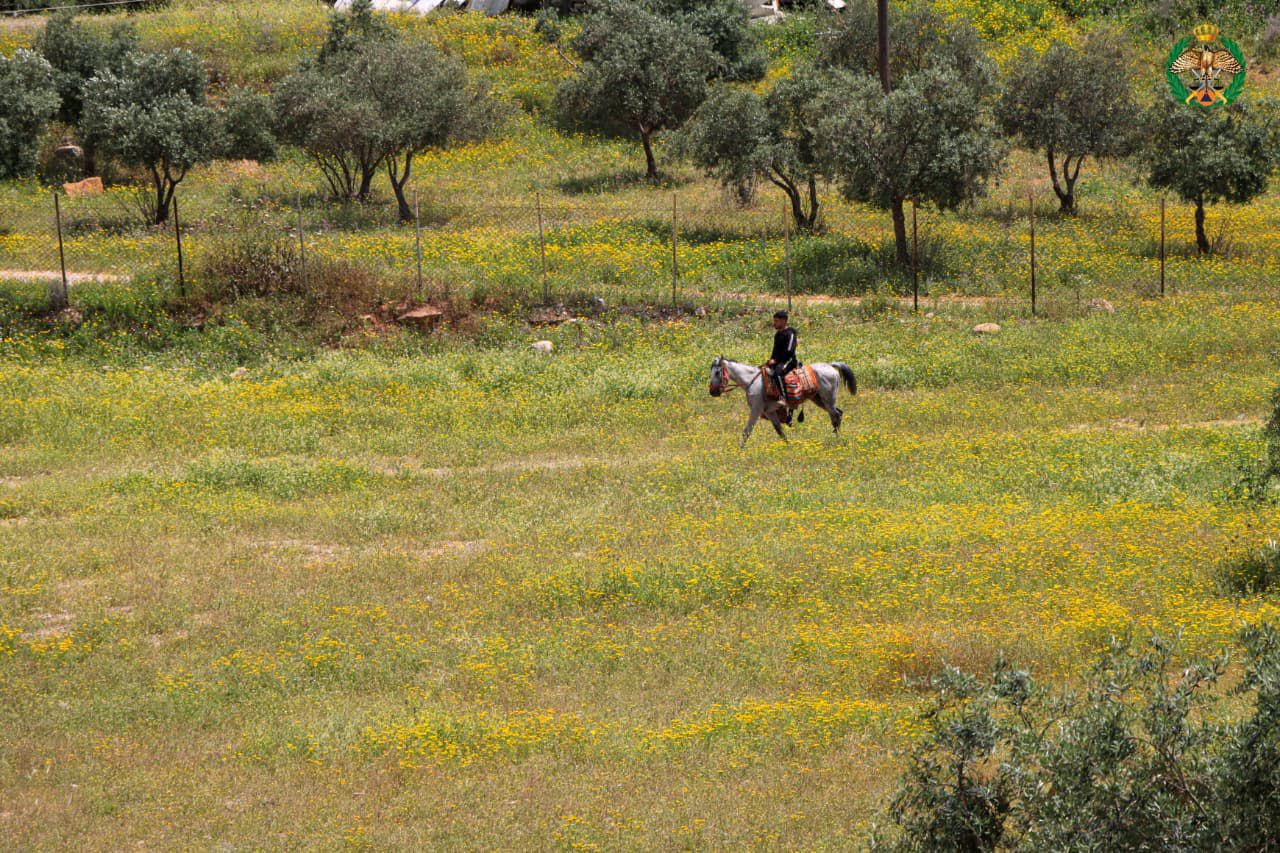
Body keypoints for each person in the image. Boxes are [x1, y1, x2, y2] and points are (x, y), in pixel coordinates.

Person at [767, 310, 798, 425]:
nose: (774, 323)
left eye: (776, 321)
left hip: (788, 360)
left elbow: (789, 351)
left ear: (784, 321)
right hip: (778, 360)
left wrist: (776, 360)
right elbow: (775, 351)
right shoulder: (778, 334)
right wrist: (770, 361)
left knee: (777, 374)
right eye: (774, 321)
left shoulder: (791, 334)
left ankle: (783, 399)